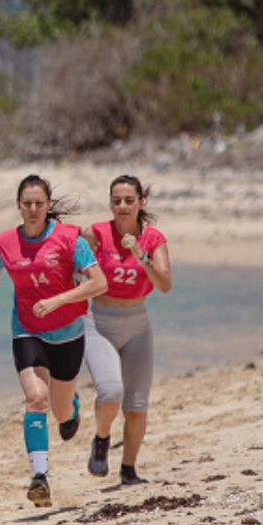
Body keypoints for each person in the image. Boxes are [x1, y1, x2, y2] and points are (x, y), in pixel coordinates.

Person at [0, 175, 110, 508]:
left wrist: (59, 300)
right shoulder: (5, 242)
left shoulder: (70, 240)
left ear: (48, 206)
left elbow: (99, 283)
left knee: (58, 409)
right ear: (18, 205)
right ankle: (39, 478)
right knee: (36, 398)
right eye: (26, 204)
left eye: (39, 204)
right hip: (27, 329)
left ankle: (71, 408)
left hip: (68, 331)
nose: (32, 210)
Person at [83, 175, 172, 486]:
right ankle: (102, 438)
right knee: (110, 392)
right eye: (116, 201)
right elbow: (70, 258)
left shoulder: (153, 239)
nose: (122, 206)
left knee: (136, 406)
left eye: (129, 201)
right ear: (110, 203)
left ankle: (128, 471)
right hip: (100, 323)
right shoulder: (96, 233)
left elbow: (164, 285)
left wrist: (141, 256)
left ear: (140, 203)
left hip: (137, 326)